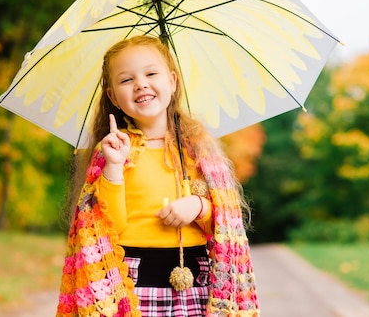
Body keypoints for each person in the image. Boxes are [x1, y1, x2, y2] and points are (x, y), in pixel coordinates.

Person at [56, 35, 260, 316]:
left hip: (195, 287)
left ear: (172, 81)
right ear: (113, 96)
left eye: (151, 73)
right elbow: (106, 228)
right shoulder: (113, 151)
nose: (141, 83)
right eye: (126, 80)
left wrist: (199, 207)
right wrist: (114, 167)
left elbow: (225, 224)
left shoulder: (198, 150)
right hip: (133, 287)